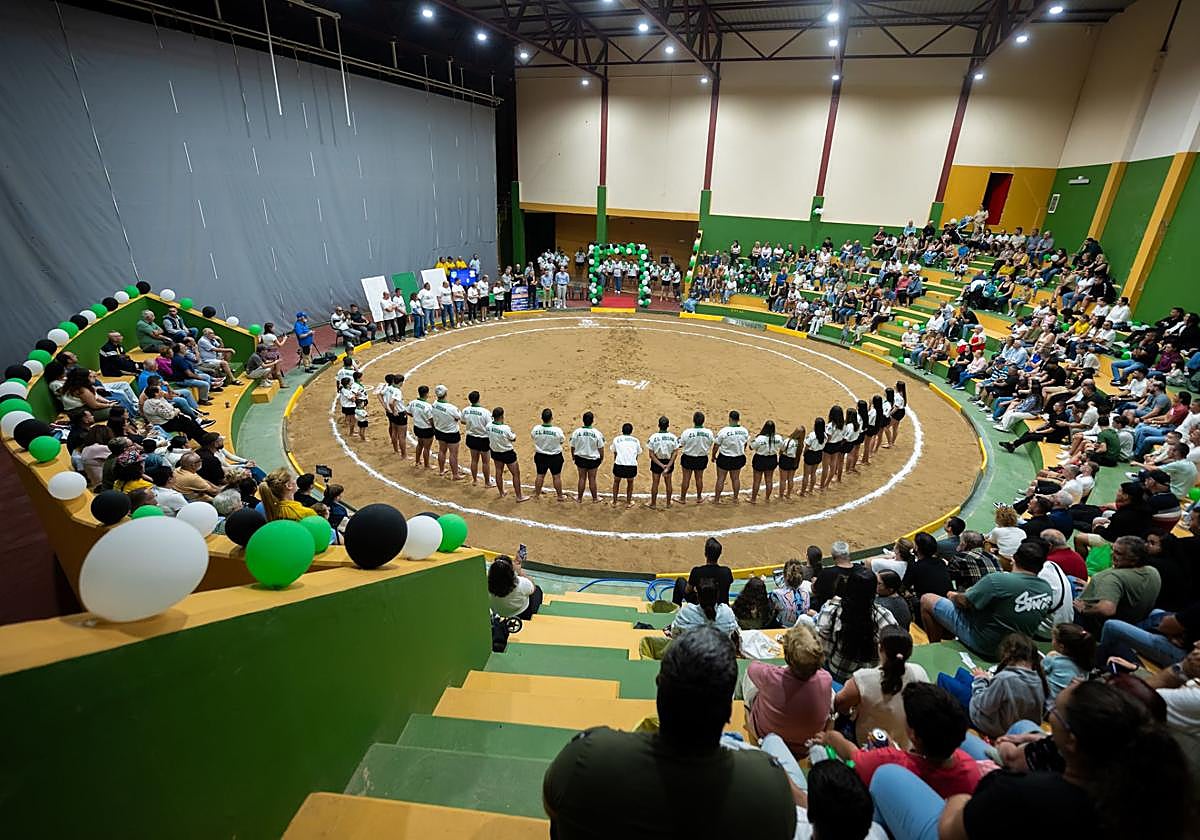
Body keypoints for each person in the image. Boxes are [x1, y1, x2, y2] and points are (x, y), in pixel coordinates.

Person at [544, 625, 797, 839]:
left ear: (659, 690)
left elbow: (552, 809)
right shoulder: (771, 787)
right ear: (728, 708)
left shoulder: (587, 757)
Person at [876, 679, 1192, 840]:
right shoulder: (1152, 792)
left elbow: (951, 832)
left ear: (1072, 741)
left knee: (887, 775)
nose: (1050, 716)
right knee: (1012, 731)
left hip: (967, 820)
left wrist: (958, 798)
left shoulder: (1017, 793)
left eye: (1054, 714)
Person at [820, 682, 982, 802]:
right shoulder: (971, 770)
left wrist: (831, 737)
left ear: (914, 735)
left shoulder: (890, 762)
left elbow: (854, 756)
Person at [921, 538, 1054, 659]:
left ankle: (934, 646)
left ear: (1014, 559)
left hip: (984, 644)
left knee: (927, 599)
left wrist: (953, 596)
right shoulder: (1046, 589)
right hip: (1017, 648)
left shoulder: (999, 580)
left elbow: (965, 602)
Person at [833, 626, 930, 750]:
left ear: (880, 648)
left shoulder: (863, 678)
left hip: (868, 744)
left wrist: (852, 711)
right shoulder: (919, 672)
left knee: (833, 686)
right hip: (905, 745)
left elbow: (839, 704)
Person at [743, 623, 833, 753]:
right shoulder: (826, 679)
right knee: (831, 693)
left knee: (749, 677)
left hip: (765, 737)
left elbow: (752, 668)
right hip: (807, 745)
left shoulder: (771, 676)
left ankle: (746, 709)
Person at [937, 633, 1048, 738]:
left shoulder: (1004, 679)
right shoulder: (1038, 678)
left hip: (993, 725)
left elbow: (983, 705)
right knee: (961, 673)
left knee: (943, 679)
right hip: (1011, 722)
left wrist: (981, 679)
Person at [816, 566, 901, 684]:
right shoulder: (885, 617)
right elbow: (895, 650)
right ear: (873, 591)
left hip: (838, 673)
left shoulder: (830, 611)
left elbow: (823, 650)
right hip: (869, 678)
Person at [1073, 534, 1161, 633]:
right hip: (1135, 622)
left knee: (1071, 583)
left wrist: (1084, 610)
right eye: (1113, 549)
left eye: (1118, 553)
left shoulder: (1113, 577)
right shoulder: (1152, 571)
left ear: (1134, 559)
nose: (1111, 554)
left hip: (1102, 625)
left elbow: (1107, 609)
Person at [1042, 622, 1095, 701]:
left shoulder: (1054, 660)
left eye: (1053, 639)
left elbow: (1037, 672)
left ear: (1061, 646)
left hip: (1047, 703)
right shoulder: (1085, 664)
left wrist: (1049, 657)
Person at [673, 537, 733, 605]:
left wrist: (698, 590)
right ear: (720, 554)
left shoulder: (696, 571)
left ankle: (676, 608)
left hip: (702, 605)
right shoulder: (727, 571)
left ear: (705, 554)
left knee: (680, 581)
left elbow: (687, 591)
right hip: (722, 606)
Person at [487, 406, 527, 502]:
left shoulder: (488, 426)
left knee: (498, 472)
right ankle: (519, 496)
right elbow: (513, 438)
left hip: (495, 452)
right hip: (508, 454)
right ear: (502, 416)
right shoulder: (505, 428)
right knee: (516, 474)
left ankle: (501, 492)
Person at [713, 409, 750, 504]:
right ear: (738, 419)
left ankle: (716, 500)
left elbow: (716, 445)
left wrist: (713, 456)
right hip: (738, 457)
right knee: (736, 478)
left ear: (730, 419)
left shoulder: (724, 431)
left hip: (725, 458)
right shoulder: (744, 431)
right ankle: (735, 498)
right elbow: (745, 443)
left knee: (721, 478)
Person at [487, 554, 541, 620]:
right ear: (511, 570)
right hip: (521, 613)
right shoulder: (522, 583)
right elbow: (533, 586)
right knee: (537, 590)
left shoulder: (483, 583)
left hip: (497, 612)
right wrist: (519, 571)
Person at [677, 411, 714, 504]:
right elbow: (710, 443)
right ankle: (699, 497)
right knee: (699, 478)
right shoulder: (709, 433)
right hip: (701, 458)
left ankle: (682, 498)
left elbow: (680, 444)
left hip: (688, 458)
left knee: (686, 478)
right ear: (703, 421)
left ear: (693, 420)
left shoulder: (687, 432)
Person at [531, 407, 567, 501]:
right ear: (551, 418)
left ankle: (537, 495)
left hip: (540, 456)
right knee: (556, 476)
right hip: (555, 457)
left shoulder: (536, 429)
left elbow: (533, 437)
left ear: (541, 418)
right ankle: (560, 496)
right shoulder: (557, 430)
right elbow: (562, 441)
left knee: (540, 475)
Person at [569, 411, 605, 503]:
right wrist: (601, 458)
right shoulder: (597, 433)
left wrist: (573, 456)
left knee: (581, 478)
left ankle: (579, 498)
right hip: (593, 460)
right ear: (593, 421)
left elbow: (572, 446)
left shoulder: (577, 432)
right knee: (592, 478)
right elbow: (601, 448)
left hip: (580, 459)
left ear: (583, 420)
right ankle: (595, 498)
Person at [811, 540, 855, 613]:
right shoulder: (861, 570)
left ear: (833, 556)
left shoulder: (826, 573)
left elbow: (814, 589)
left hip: (829, 611)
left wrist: (815, 582)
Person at [645, 416, 679, 509]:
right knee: (668, 482)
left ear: (658, 425)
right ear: (668, 425)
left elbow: (651, 455)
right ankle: (668, 503)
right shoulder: (673, 437)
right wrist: (668, 466)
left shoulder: (653, 437)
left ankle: (653, 503)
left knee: (655, 483)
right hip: (668, 462)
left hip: (656, 462)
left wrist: (661, 465)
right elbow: (675, 453)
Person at [430, 384, 463, 480]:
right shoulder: (451, 407)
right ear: (446, 394)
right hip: (451, 433)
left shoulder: (435, 404)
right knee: (453, 454)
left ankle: (441, 470)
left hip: (439, 431)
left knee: (442, 450)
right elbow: (459, 418)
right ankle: (455, 475)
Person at [749, 419, 783, 504]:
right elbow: (782, 447)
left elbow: (751, 447)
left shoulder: (760, 438)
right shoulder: (778, 438)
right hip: (772, 459)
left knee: (757, 480)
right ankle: (767, 498)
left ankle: (753, 499)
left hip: (760, 459)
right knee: (769, 480)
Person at [770, 558, 810, 627]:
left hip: (783, 628)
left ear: (785, 577)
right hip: (803, 628)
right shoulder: (806, 592)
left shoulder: (776, 594)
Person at [610, 422, 642, 507]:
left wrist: (616, 461)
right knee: (630, 482)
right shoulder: (636, 440)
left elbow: (615, 452)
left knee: (616, 482)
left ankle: (614, 502)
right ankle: (628, 502)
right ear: (631, 431)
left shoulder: (616, 439)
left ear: (622, 430)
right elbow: (637, 454)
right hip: (631, 465)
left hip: (619, 464)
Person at [408, 384, 435, 471]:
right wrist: (434, 428)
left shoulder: (413, 403)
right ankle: (427, 465)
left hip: (417, 427)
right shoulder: (428, 406)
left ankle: (417, 461)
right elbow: (431, 420)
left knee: (419, 444)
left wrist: (414, 416)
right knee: (427, 448)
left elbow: (407, 411)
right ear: (427, 394)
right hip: (427, 429)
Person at [778, 426, 804, 499]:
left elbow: (781, 450)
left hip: (785, 459)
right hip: (795, 460)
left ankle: (781, 495)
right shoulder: (801, 444)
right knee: (790, 478)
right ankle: (788, 494)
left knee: (783, 479)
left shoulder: (788, 440)